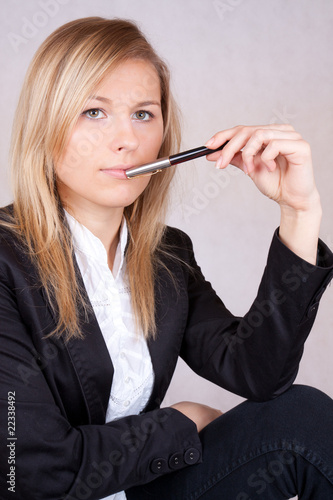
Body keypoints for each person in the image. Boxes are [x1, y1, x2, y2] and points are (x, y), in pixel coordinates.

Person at [0, 16, 332, 500]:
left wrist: (299, 212)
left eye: (143, 114)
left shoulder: (165, 253)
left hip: (134, 491)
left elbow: (256, 372)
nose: (127, 140)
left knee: (299, 417)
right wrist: (179, 422)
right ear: (46, 124)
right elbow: (33, 470)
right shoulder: (7, 261)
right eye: (94, 112)